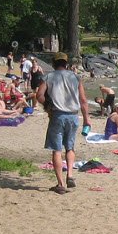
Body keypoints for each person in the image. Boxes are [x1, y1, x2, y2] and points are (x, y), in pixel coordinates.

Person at [36, 52, 91, 194]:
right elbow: (83, 100)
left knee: (57, 149)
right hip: (73, 116)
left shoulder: (48, 77)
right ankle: (70, 175)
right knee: (70, 147)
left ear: (54, 63)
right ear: (66, 64)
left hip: (57, 115)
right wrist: (86, 119)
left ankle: (60, 184)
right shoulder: (75, 77)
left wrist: (48, 106)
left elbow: (39, 96)